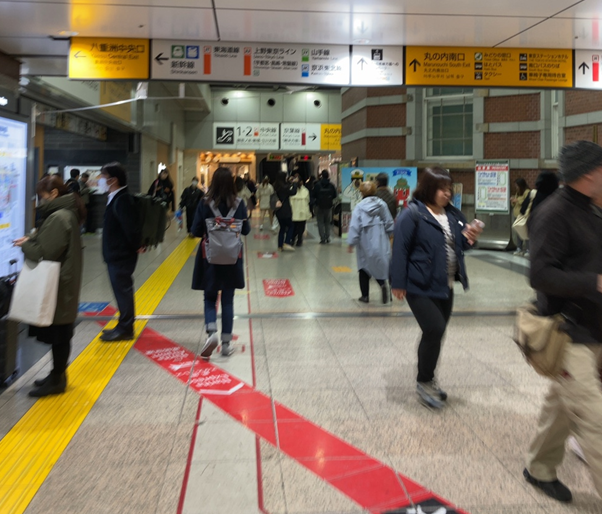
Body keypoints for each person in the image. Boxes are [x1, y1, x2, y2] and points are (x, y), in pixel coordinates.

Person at [522, 140, 602, 503]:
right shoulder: (554, 213)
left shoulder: (591, 210)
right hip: (569, 333)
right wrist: (593, 282)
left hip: (594, 329)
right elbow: (539, 275)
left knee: (563, 408)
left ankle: (538, 467)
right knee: (594, 419)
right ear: (590, 173)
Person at [390, 167, 482, 409]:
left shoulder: (453, 215)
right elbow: (400, 249)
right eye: (442, 189)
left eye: (449, 188)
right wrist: (397, 282)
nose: (447, 193)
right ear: (429, 189)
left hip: (445, 284)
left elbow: (461, 244)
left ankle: (428, 378)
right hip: (419, 284)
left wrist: (471, 237)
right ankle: (424, 381)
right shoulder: (413, 214)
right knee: (434, 328)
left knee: (437, 333)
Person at [13, 175, 85, 396]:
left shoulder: (59, 217)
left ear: (54, 194)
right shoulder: (66, 213)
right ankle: (57, 375)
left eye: (42, 197)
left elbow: (44, 253)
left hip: (58, 286)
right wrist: (32, 240)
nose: (40, 202)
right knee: (61, 334)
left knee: (59, 335)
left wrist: (25, 246)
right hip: (63, 282)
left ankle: (57, 381)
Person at [192, 167, 250, 359]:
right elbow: (246, 230)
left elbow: (195, 230)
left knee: (210, 298)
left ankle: (211, 333)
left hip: (209, 258)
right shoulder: (239, 203)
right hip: (232, 258)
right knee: (227, 299)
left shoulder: (204, 203)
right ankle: (226, 345)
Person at [99, 162, 142, 342]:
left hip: (121, 256)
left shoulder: (123, 199)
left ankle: (126, 328)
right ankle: (123, 325)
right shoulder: (115, 197)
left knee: (123, 291)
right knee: (121, 291)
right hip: (116, 254)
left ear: (113, 180)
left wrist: (137, 245)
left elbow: (131, 228)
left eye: (103, 177)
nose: (100, 180)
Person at [347, 181, 394, 304]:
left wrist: (351, 242)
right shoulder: (382, 204)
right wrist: (391, 234)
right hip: (380, 238)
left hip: (365, 240)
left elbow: (354, 226)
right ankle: (383, 284)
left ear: (362, 193)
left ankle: (365, 296)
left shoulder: (359, 207)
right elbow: (389, 221)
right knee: (380, 265)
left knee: (364, 267)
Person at [274, 173, 298, 252]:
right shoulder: (284, 188)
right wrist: (295, 183)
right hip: (286, 210)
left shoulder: (276, 186)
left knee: (282, 228)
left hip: (278, 210)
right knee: (291, 226)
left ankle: (280, 246)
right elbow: (293, 192)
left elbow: (286, 186)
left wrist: (289, 182)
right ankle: (287, 242)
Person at [312, 169, 337, 244]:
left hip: (319, 206)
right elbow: (334, 195)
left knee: (320, 222)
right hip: (328, 206)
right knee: (327, 222)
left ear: (321, 176)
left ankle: (322, 238)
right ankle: (327, 237)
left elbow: (313, 195)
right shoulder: (331, 185)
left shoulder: (317, 185)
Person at [290, 174, 312, 247]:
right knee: (301, 228)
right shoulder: (305, 191)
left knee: (293, 227)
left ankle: (292, 239)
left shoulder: (291, 190)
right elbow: (308, 201)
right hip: (303, 212)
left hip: (294, 212)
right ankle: (299, 240)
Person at [511, 178, 531, 256]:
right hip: (517, 215)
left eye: (517, 186)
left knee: (525, 232)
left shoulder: (527, 192)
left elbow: (527, 202)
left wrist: (517, 201)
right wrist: (513, 201)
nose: (516, 187)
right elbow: (515, 203)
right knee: (518, 232)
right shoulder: (518, 192)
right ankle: (519, 248)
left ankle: (528, 249)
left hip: (523, 216)